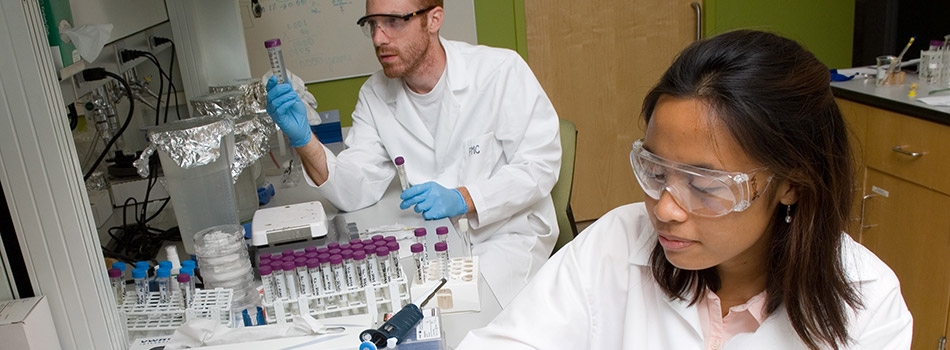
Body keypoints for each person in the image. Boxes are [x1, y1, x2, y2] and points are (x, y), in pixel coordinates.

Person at [456, 30, 913, 349]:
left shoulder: (868, 303)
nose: (666, 209)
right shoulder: (615, 243)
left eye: (703, 184)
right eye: (655, 171)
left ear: (791, 183)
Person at [265, 0, 562, 306]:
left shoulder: (500, 72)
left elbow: (540, 165)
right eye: (372, 24)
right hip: (432, 240)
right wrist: (304, 140)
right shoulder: (374, 95)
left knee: (469, 317)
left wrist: (464, 197)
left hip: (505, 236)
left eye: (394, 21)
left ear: (433, 19)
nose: (379, 38)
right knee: (396, 308)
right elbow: (353, 191)